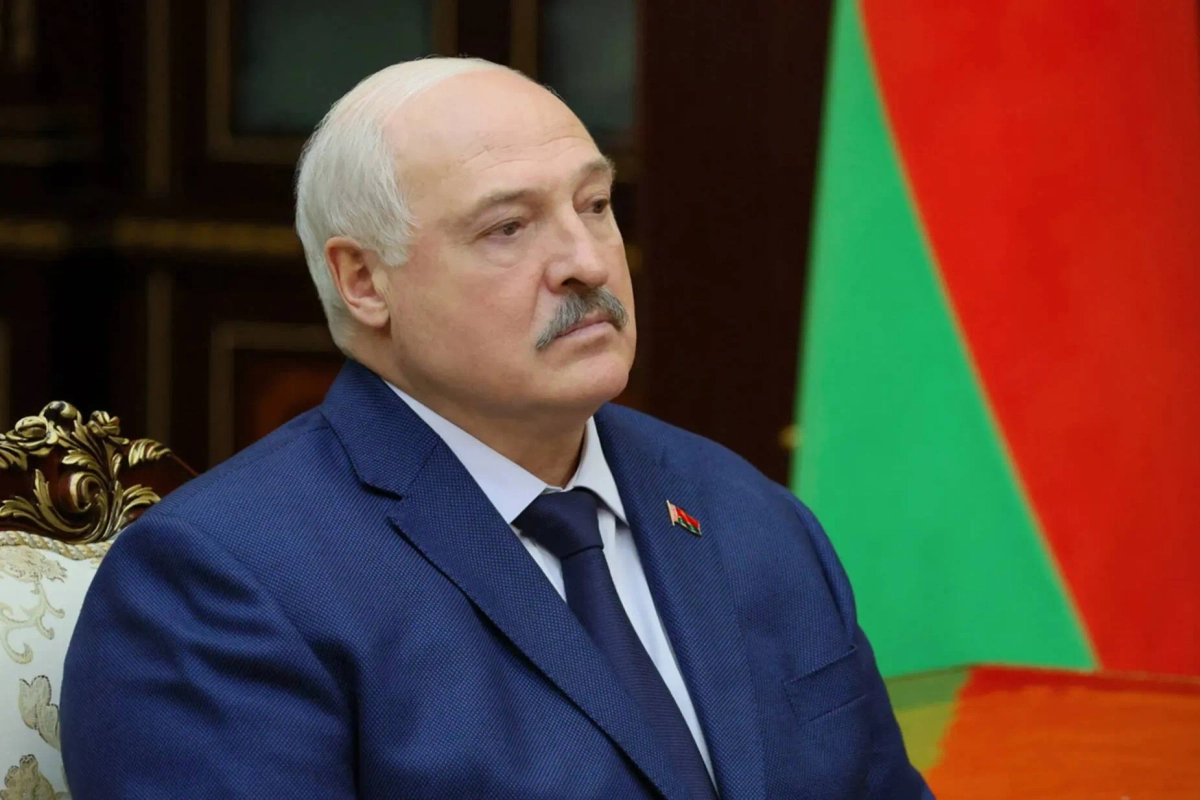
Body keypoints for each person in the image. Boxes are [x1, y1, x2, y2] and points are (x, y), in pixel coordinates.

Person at [61, 57, 931, 799]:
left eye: (596, 205)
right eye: (508, 226)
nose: (587, 262)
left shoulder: (745, 512)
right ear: (364, 281)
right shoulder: (224, 583)